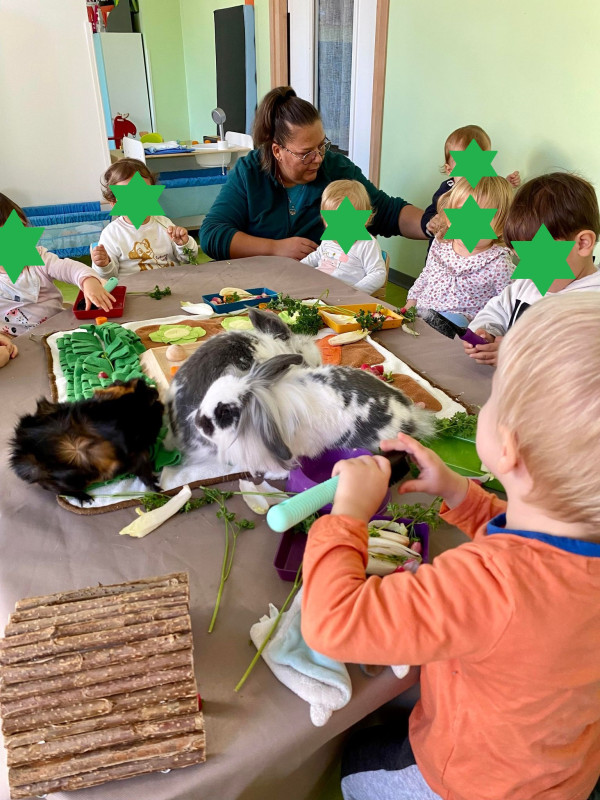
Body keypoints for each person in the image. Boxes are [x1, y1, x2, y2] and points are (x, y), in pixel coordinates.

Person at [301, 292, 600, 800]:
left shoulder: (488, 586)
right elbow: (540, 551)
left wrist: (348, 513)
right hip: (564, 769)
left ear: (507, 448)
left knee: (354, 763)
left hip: (472, 781)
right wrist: (461, 495)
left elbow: (332, 625)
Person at [199, 86, 427, 262]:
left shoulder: (336, 170)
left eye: (322, 146)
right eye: (306, 153)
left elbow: (388, 212)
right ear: (277, 151)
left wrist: (432, 223)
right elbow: (212, 235)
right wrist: (275, 248)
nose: (318, 158)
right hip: (259, 287)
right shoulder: (249, 173)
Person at [464, 172, 600, 366]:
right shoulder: (525, 286)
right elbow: (495, 311)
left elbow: (581, 364)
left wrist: (516, 354)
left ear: (583, 243)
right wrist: (486, 333)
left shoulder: (592, 303)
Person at [0, 193, 114, 337]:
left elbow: (69, 269)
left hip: (56, 330)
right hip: (15, 341)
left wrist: (89, 281)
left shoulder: (40, 259)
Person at [405, 176, 514, 321]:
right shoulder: (440, 243)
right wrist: (412, 300)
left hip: (462, 328)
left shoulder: (499, 263)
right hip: (422, 314)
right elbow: (426, 275)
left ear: (501, 227)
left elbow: (508, 306)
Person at [91, 158, 199, 279]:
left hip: (173, 283)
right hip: (136, 289)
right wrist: (104, 264)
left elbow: (189, 259)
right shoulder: (112, 233)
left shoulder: (164, 223)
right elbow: (109, 276)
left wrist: (184, 244)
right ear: (114, 202)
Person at [421, 124, 520, 243]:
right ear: (450, 170)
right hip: (445, 254)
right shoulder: (447, 189)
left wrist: (507, 185)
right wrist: (431, 223)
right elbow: (430, 212)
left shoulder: (487, 189)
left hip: (477, 254)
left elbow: (498, 200)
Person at [300, 180, 386, 294]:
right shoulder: (329, 238)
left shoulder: (366, 244)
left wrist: (354, 292)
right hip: (317, 287)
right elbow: (317, 255)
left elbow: (378, 273)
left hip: (341, 295)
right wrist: (300, 267)